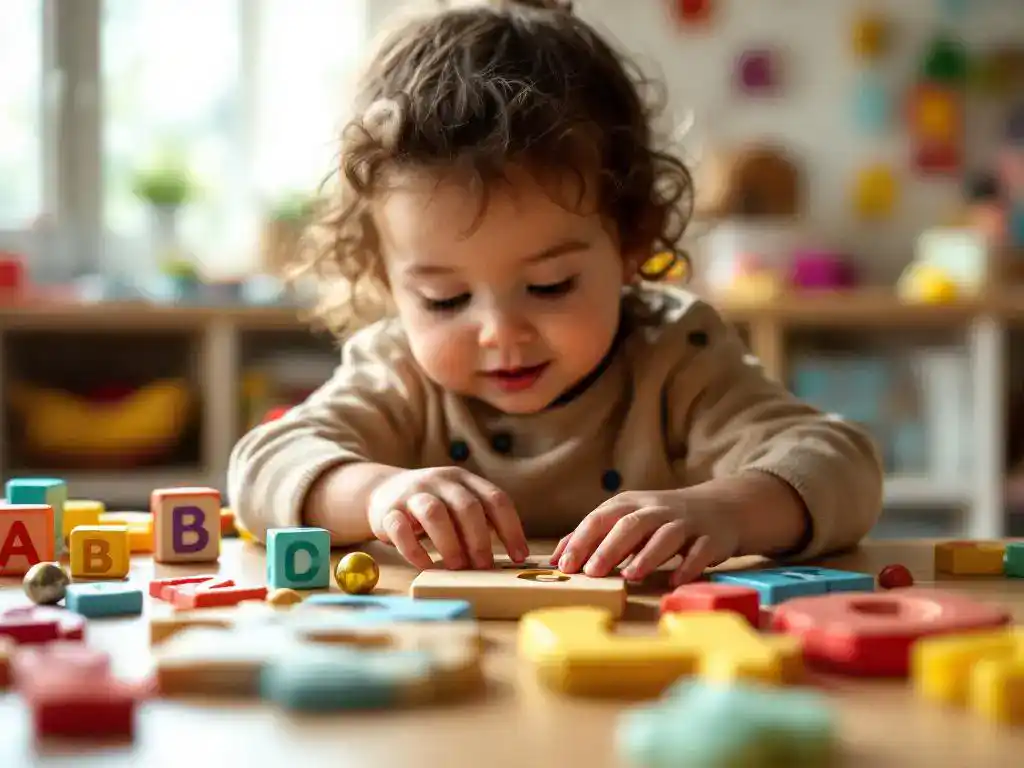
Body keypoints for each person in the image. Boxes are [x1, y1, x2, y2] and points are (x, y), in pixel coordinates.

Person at [228, 0, 883, 588]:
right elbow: (262, 464)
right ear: (384, 275)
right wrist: (375, 494)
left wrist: (726, 511)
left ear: (632, 241)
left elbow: (843, 466)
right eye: (444, 298)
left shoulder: (678, 357)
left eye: (549, 285)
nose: (499, 331)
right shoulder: (398, 371)